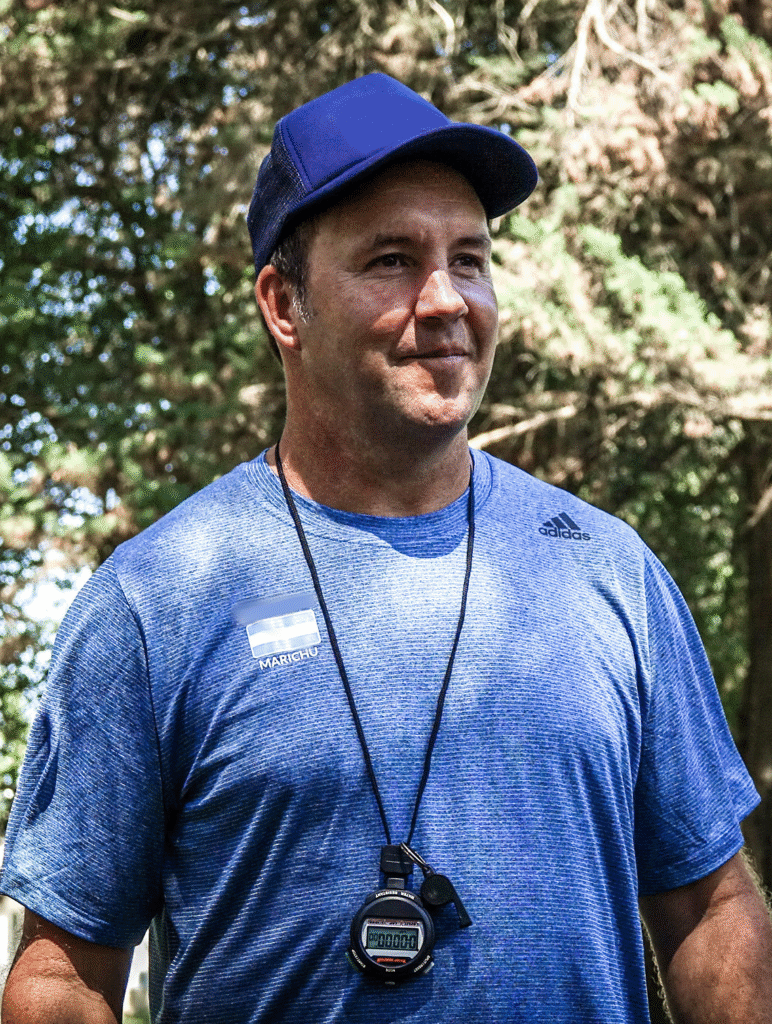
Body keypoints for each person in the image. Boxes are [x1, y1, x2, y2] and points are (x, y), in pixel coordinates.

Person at [1, 73, 770, 1024]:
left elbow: (711, 909)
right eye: (393, 260)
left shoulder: (608, 570)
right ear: (284, 305)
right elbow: (65, 977)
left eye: (470, 259)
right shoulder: (158, 599)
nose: (446, 300)